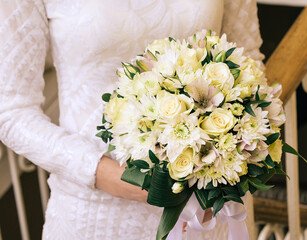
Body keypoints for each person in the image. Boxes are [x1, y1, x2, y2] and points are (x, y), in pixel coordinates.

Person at [0, 0, 264, 239]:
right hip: (96, 212)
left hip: (206, 207)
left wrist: (227, 151)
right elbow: (10, 111)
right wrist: (108, 175)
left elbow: (247, 61)